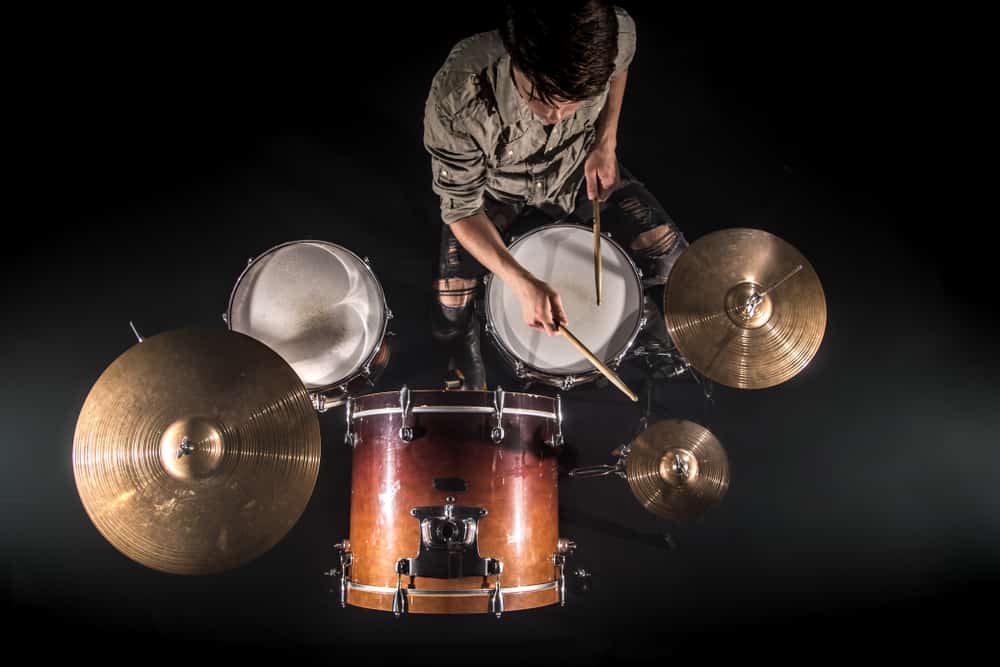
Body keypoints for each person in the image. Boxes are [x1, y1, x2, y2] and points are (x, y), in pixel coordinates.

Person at [424, 1, 686, 389]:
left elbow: (620, 70)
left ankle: (641, 320)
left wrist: (605, 141)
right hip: (494, 190)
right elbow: (461, 210)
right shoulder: (458, 96)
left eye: (573, 103)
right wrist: (522, 282)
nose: (557, 115)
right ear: (518, 57)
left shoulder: (616, 34)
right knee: (451, 309)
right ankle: (461, 348)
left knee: (671, 259)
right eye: (542, 97)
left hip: (575, 168)